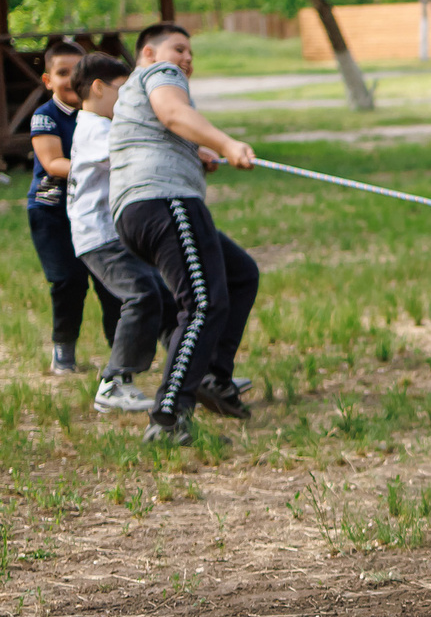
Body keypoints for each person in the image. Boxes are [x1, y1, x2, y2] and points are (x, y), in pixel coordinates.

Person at [109, 23, 260, 446]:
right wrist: (227, 143)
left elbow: (162, 129)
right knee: (202, 303)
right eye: (178, 49)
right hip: (164, 201)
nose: (186, 59)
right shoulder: (160, 74)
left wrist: (198, 152)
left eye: (191, 53)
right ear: (148, 54)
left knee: (240, 274)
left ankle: (211, 374)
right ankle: (169, 416)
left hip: (141, 209)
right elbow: (172, 113)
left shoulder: (135, 92)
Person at [66, 53, 171, 416]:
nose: (128, 100)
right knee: (142, 294)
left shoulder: (98, 125)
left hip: (113, 234)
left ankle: (191, 370)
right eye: (123, 91)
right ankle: (114, 383)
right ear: (98, 88)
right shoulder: (96, 129)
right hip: (98, 235)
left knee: (162, 294)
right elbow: (132, 153)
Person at [25, 41, 118, 375]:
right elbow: (52, 162)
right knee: (68, 281)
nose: (70, 79)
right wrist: (104, 163)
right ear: (47, 80)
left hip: (96, 209)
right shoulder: (46, 117)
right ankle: (63, 350)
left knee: (113, 282)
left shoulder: (102, 113)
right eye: (62, 72)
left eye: (77, 71)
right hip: (53, 212)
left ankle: (122, 352)